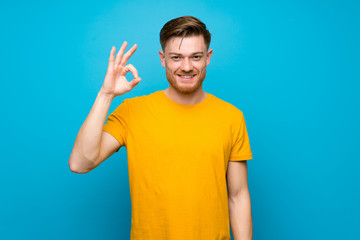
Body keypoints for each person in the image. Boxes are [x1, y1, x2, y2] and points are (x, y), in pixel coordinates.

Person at [69, 16, 253, 240]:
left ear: (208, 57)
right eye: (176, 57)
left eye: (196, 57)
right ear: (162, 58)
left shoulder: (231, 117)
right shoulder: (132, 111)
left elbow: (238, 195)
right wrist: (106, 95)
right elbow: (80, 163)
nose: (186, 67)